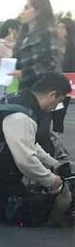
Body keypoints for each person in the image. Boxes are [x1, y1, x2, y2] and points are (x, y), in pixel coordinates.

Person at [0, 73, 71, 225]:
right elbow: (26, 161)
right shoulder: (21, 116)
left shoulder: (17, 101)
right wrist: (53, 181)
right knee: (34, 213)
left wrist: (53, 163)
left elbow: (27, 143)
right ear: (52, 95)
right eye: (59, 101)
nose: (56, 106)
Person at [11, 0, 61, 92]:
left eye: (26, 8)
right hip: (22, 90)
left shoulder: (48, 33)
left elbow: (51, 64)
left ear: (38, 11)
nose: (22, 12)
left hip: (41, 92)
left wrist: (24, 74)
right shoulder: (23, 36)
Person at [52, 17, 74, 154]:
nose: (58, 29)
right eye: (57, 26)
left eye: (61, 27)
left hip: (64, 90)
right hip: (48, 86)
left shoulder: (72, 50)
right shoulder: (51, 47)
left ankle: (57, 146)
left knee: (59, 117)